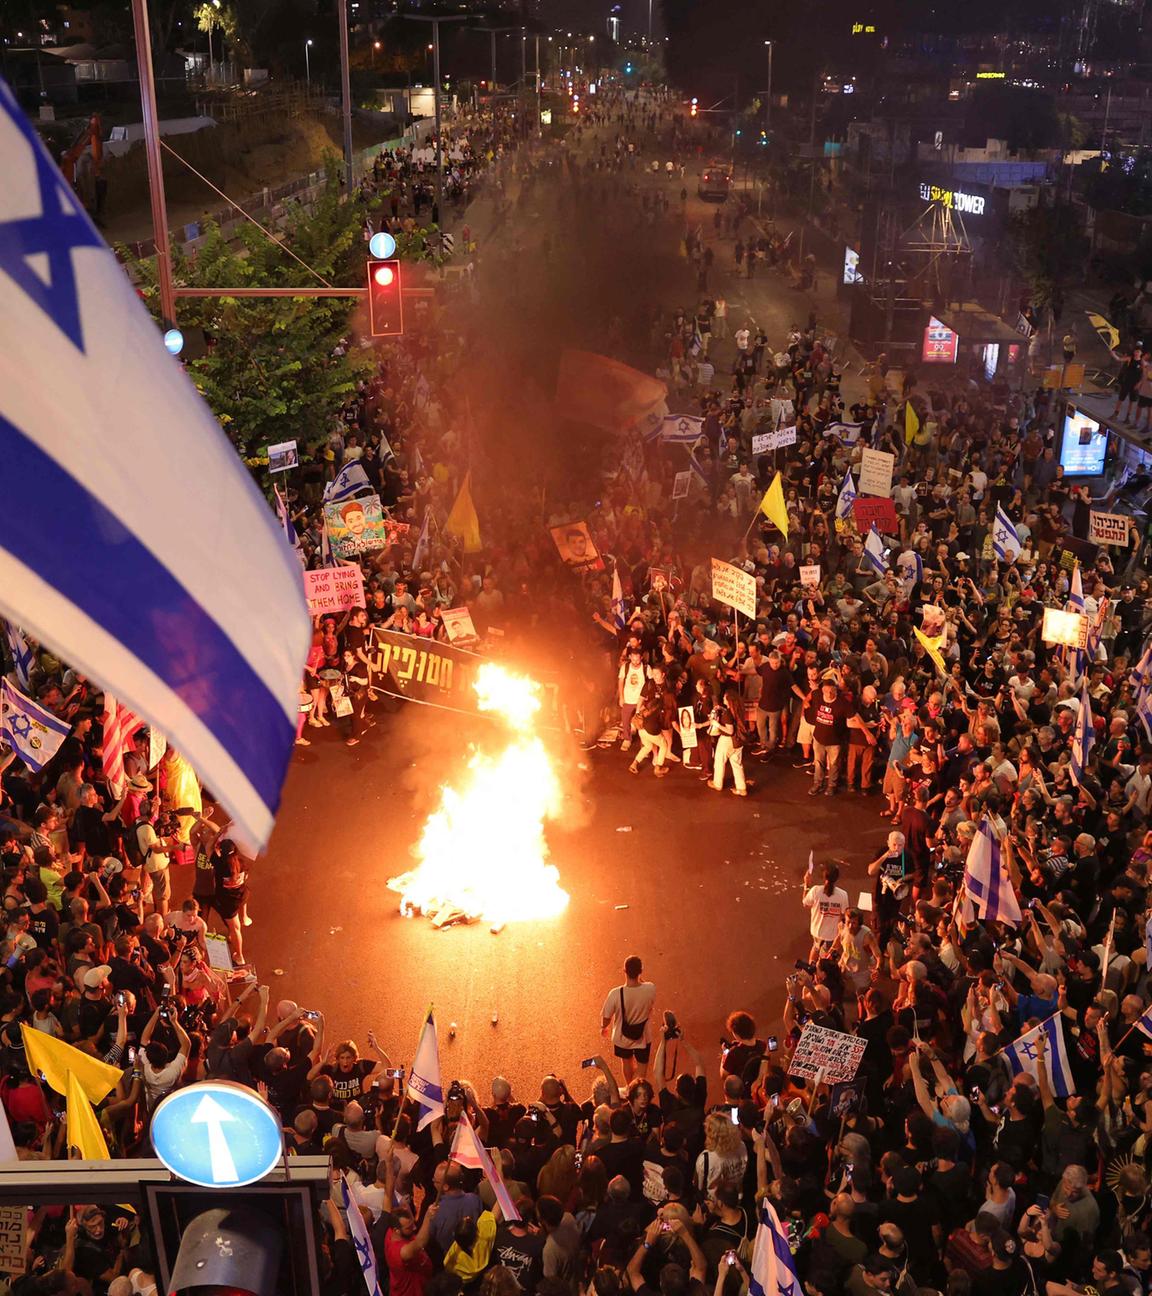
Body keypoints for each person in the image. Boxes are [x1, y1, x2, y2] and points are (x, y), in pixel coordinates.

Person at [601, 956, 657, 1082]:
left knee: (627, 1062)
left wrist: (604, 1027)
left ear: (624, 971)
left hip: (622, 1037)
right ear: (641, 971)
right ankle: (638, 1086)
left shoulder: (615, 994)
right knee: (642, 1065)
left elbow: (606, 1016)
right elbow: (649, 999)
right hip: (643, 1036)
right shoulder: (650, 988)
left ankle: (629, 1086)